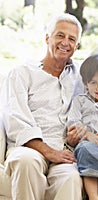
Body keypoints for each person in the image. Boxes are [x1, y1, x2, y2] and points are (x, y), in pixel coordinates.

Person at [0, 13, 83, 200]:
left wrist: (78, 134)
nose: (65, 43)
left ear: (77, 46)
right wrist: (48, 151)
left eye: (72, 39)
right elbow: (15, 120)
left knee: (72, 178)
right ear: (47, 38)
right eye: (60, 35)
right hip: (29, 149)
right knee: (26, 162)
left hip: (64, 153)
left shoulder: (81, 76)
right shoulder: (21, 73)